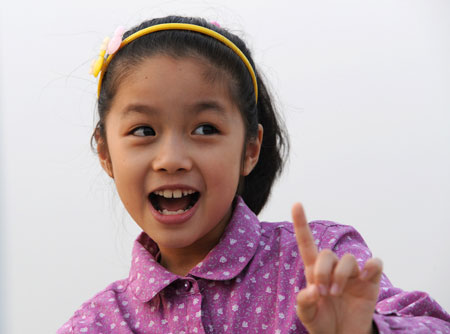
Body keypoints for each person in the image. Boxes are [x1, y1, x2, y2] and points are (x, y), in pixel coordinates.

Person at [57, 15, 450, 334]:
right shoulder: (95, 325)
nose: (171, 159)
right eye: (144, 131)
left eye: (205, 129)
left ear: (250, 150)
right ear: (106, 154)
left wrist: (363, 331)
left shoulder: (320, 263)